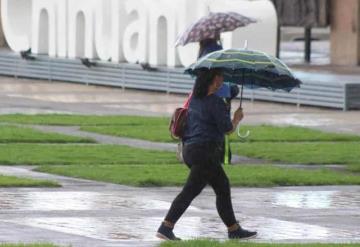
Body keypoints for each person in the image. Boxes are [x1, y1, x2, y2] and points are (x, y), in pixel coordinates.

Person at [156, 68, 257, 240]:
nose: (223, 80)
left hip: (190, 151)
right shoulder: (215, 102)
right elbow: (227, 129)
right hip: (205, 153)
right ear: (215, 79)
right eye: (221, 77)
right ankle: (166, 227)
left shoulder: (194, 98)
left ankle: (233, 229)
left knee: (222, 186)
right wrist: (237, 118)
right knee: (190, 191)